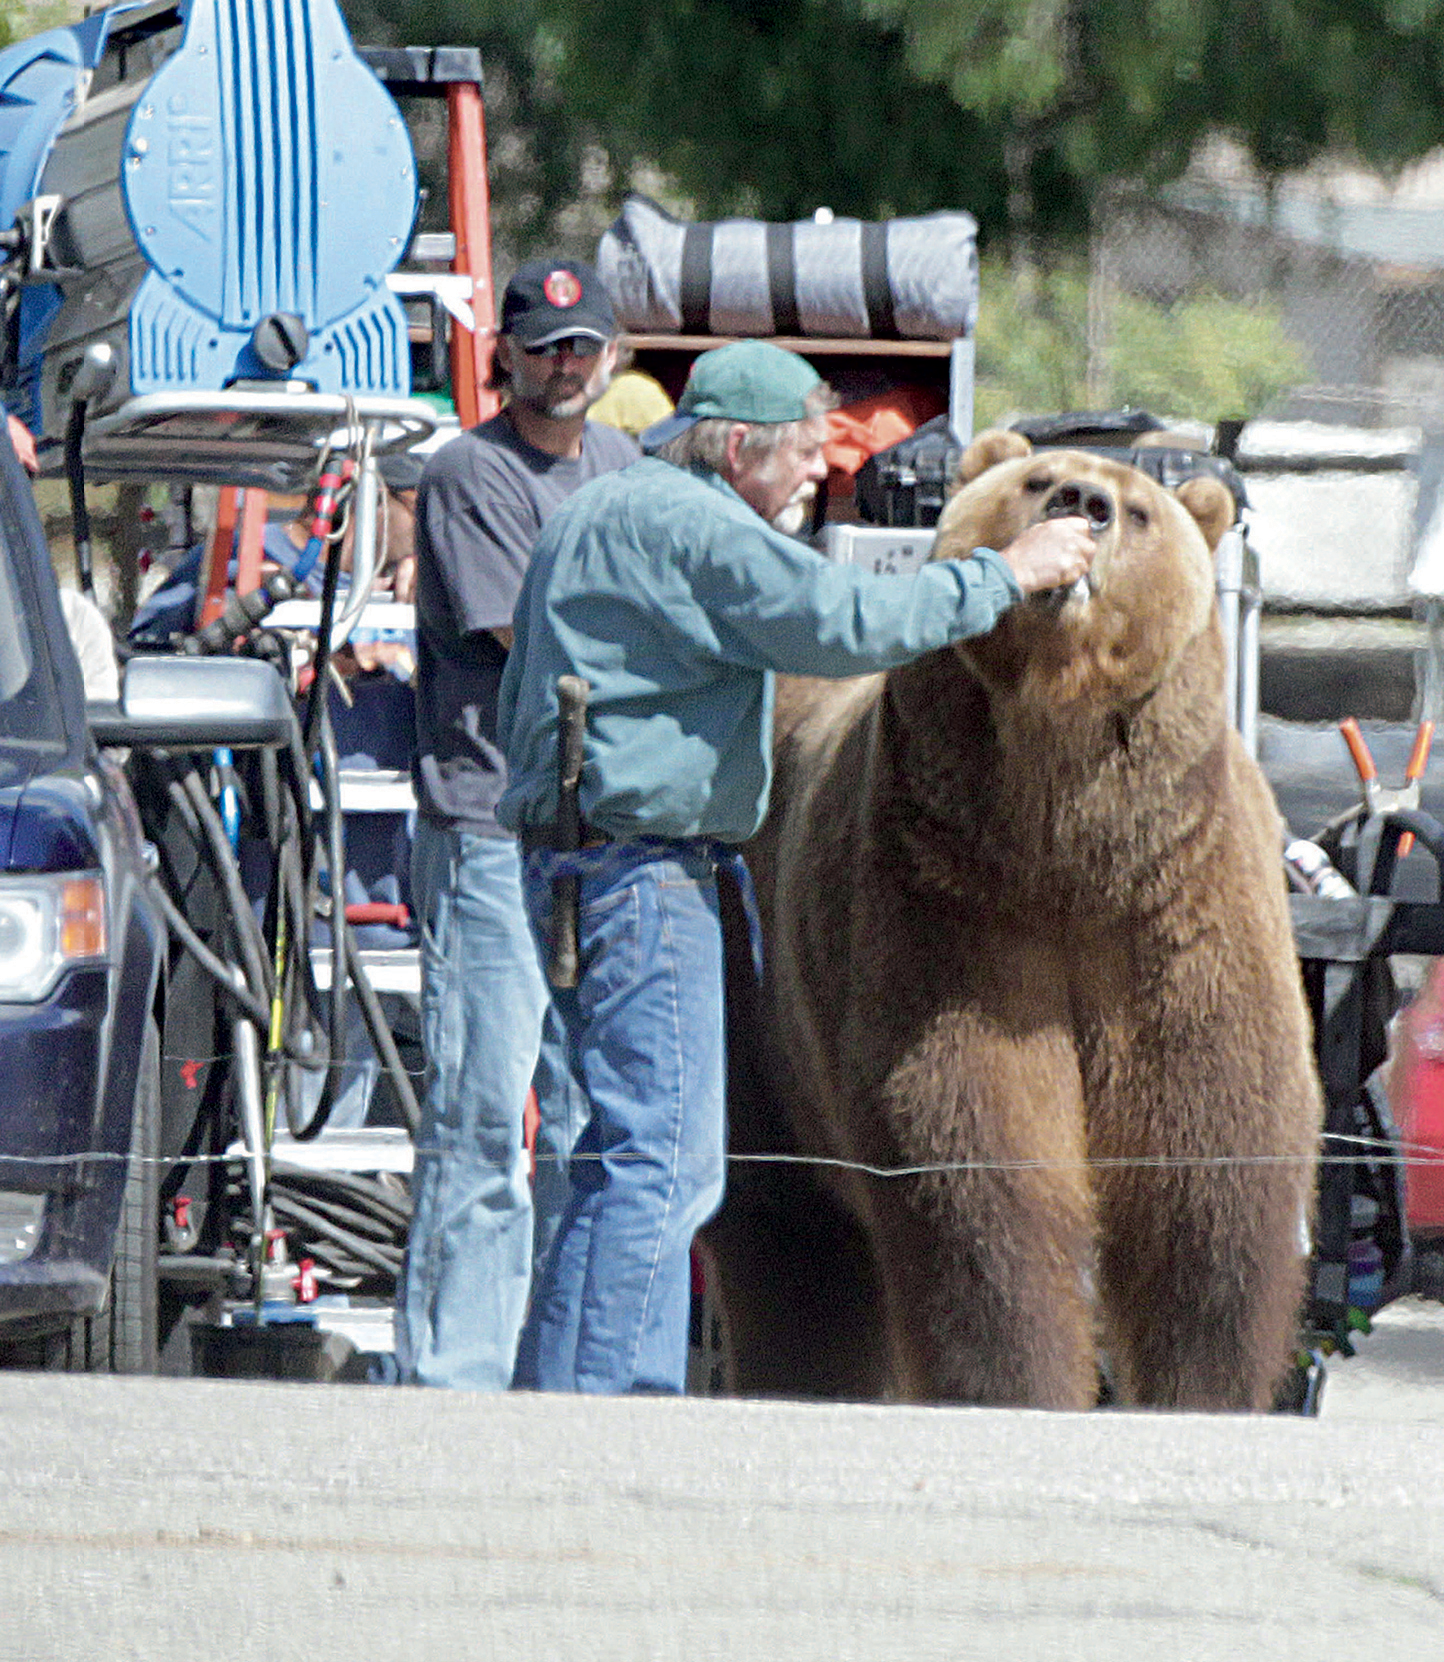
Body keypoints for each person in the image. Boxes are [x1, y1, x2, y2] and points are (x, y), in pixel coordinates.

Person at [495, 339, 1098, 1395]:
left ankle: (565, 1396)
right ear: (736, 448)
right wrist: (1010, 572)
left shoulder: (602, 505)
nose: (825, 470)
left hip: (570, 869)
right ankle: (606, 1411)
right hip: (644, 876)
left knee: (610, 1155)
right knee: (664, 1165)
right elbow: (844, 621)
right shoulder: (698, 528)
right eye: (806, 453)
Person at [397, 256, 640, 1391]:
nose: (564, 366)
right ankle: (451, 1384)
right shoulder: (468, 476)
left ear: (610, 354)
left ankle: (551, 1384)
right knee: (485, 1123)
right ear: (502, 354)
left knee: (593, 1122)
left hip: (598, 842)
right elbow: (532, 646)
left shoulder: (626, 466)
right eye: (542, 346)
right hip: (491, 832)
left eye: (582, 346)